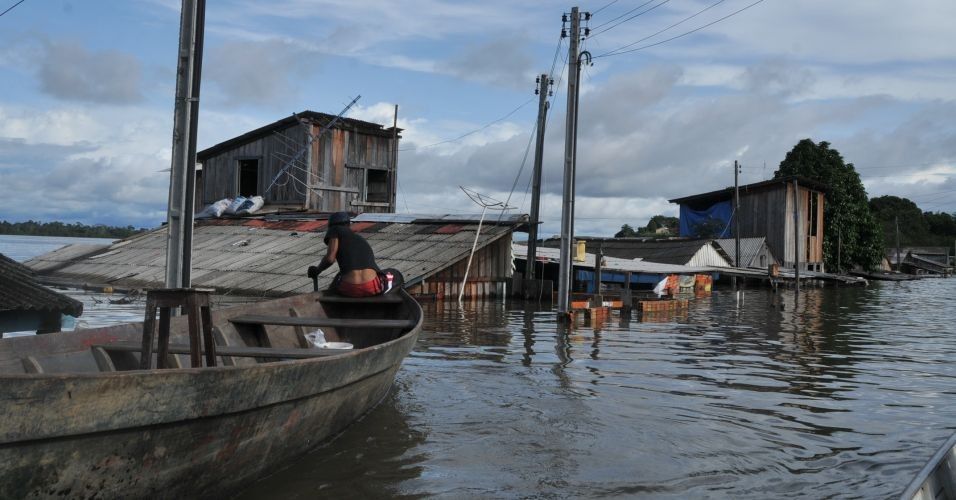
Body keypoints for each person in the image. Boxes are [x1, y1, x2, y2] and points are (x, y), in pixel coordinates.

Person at [307, 212, 384, 297]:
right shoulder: (360, 239)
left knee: (335, 284)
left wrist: (317, 270)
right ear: (348, 225)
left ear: (331, 225)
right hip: (372, 286)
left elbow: (330, 259)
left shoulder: (335, 230)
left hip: (350, 288)